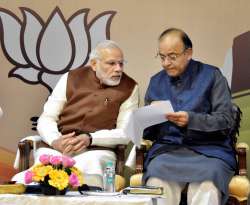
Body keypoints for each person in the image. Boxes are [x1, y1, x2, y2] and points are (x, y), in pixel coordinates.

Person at [12, 40, 139, 188]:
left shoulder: (130, 87)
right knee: (41, 178)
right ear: (94, 64)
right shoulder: (72, 77)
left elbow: (125, 131)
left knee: (88, 177)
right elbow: (47, 117)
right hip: (59, 148)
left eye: (121, 63)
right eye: (111, 63)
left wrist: (90, 138)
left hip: (97, 151)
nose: (118, 69)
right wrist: (55, 140)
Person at [142, 28, 236, 205]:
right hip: (168, 151)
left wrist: (191, 120)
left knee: (207, 185)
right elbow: (148, 133)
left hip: (210, 151)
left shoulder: (212, 76)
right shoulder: (156, 82)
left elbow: (225, 120)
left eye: (172, 56)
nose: (166, 63)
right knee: (156, 182)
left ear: (188, 53)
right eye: (162, 57)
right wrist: (150, 116)